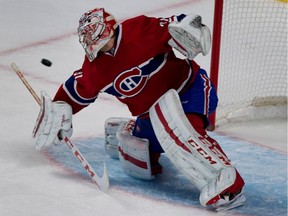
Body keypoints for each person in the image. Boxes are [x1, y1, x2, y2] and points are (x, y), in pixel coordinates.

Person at [33, 8, 246, 211]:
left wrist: (188, 27)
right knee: (139, 160)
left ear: (107, 27)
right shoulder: (95, 69)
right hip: (152, 113)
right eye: (87, 37)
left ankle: (228, 182)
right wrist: (59, 108)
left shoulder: (138, 30)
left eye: (94, 34)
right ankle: (126, 130)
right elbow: (75, 91)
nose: (91, 42)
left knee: (183, 129)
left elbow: (176, 24)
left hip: (190, 89)